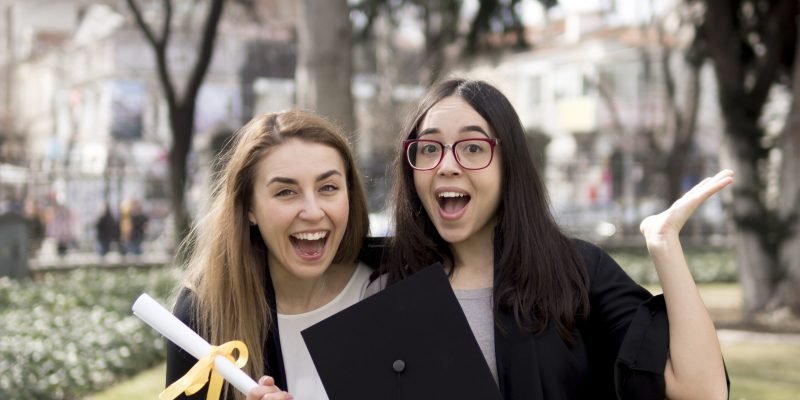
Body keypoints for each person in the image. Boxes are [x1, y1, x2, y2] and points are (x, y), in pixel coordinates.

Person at [374, 79, 730, 399]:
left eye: (472, 148)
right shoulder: (386, 285)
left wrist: (664, 244)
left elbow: (702, 391)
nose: (446, 165)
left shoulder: (577, 273)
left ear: (508, 165)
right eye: (430, 148)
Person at [165, 110, 371, 400]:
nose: (313, 212)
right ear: (249, 208)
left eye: (328, 187)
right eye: (286, 192)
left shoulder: (394, 285)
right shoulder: (205, 314)